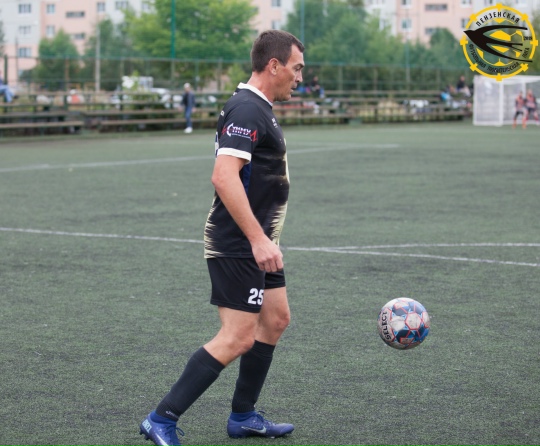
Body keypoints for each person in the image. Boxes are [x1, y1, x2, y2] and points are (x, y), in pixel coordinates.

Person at [139, 29, 305, 446]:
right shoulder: (247, 108)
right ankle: (161, 419)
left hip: (258, 242)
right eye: (297, 68)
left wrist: (265, 239)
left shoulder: (258, 108)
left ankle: (244, 416)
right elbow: (223, 176)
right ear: (274, 65)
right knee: (238, 336)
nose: (300, 77)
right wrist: (257, 239)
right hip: (239, 243)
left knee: (275, 320)